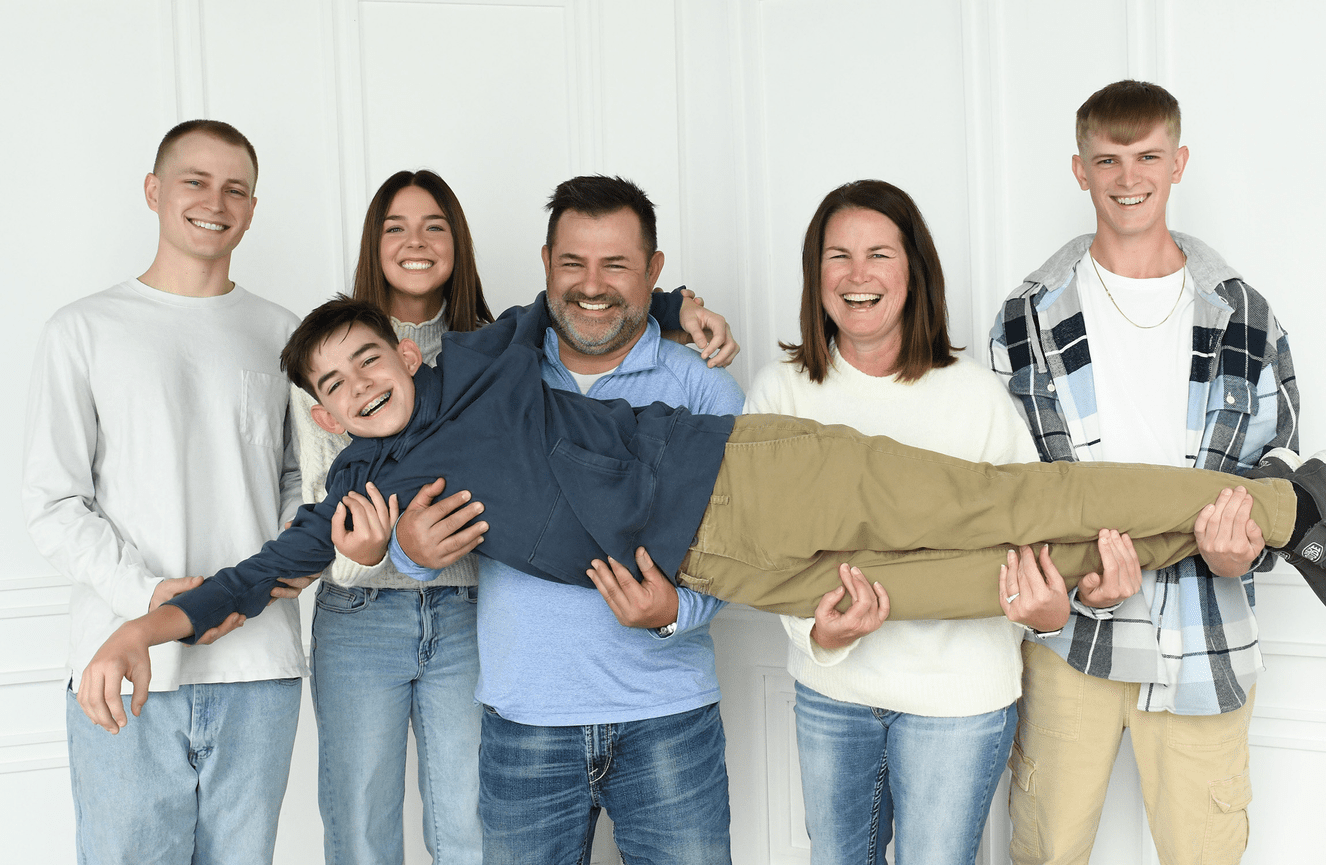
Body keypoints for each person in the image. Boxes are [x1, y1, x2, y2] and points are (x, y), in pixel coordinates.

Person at [72, 268, 1326, 727]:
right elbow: (252, 581)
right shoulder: (356, 506)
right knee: (989, 585)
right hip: (733, 574)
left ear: (406, 354)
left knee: (1010, 501)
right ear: (326, 415)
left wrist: (679, 309)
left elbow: (599, 296)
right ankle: (1262, 526)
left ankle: (1282, 509)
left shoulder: (494, 355)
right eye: (334, 387)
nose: (360, 387)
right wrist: (139, 627)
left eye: (369, 362)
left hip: (754, 474)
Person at [742, 179, 1105, 864]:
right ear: (813, 273)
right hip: (832, 693)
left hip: (959, 701)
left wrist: (1050, 610)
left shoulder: (975, 395)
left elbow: (1036, 537)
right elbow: (761, 548)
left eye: (880, 253)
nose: (857, 275)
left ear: (916, 271)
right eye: (837, 255)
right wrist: (816, 630)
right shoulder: (778, 391)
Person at [989, 80, 1304, 864]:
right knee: (1045, 852)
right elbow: (1000, 481)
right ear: (1080, 169)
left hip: (1208, 633)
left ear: (1179, 161)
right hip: (1070, 642)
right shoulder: (1024, 318)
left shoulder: (1248, 315)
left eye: (1148, 157)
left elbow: (1280, 463)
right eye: (1109, 159)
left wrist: (1249, 550)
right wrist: (1066, 585)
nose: (1129, 178)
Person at [393, 175, 744, 862]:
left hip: (667, 716)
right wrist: (409, 547)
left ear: (653, 272)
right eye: (573, 263)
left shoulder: (701, 388)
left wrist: (678, 608)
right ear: (546, 263)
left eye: (616, 264)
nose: (592, 284)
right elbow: (423, 500)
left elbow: (742, 542)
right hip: (526, 723)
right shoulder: (494, 378)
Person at [22, 120, 313, 865]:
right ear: (154, 191)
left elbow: (300, 485)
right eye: (195, 180)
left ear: (251, 210)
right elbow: (53, 502)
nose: (215, 200)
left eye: (236, 188)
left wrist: (260, 583)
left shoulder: (283, 335)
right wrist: (151, 594)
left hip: (258, 669)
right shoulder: (82, 329)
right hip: (122, 667)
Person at [293, 169, 492, 865]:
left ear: (457, 242)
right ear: (372, 244)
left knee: (471, 828)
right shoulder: (324, 351)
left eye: (434, 224)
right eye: (395, 227)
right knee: (360, 829)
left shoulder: (489, 348)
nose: (416, 241)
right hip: (359, 616)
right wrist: (381, 552)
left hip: (471, 613)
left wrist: (671, 312)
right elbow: (320, 499)